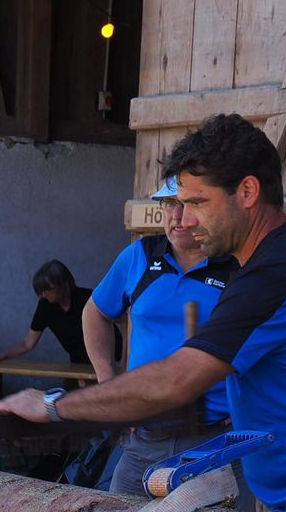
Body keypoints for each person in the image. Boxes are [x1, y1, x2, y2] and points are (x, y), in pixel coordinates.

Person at [0, 113, 286, 512]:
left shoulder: (274, 274)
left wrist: (54, 405)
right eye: (178, 204)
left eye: (198, 203)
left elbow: (174, 381)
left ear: (247, 192)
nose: (187, 218)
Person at [83, 178, 238, 494]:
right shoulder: (139, 256)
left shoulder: (235, 265)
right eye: (169, 204)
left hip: (214, 444)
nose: (177, 217)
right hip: (143, 442)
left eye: (188, 205)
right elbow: (95, 312)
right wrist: (107, 382)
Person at [0, 259, 90, 364]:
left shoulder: (89, 299)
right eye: (41, 290)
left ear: (63, 283)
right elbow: (28, 343)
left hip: (99, 362)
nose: (44, 294)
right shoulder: (45, 305)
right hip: (77, 365)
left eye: (48, 289)